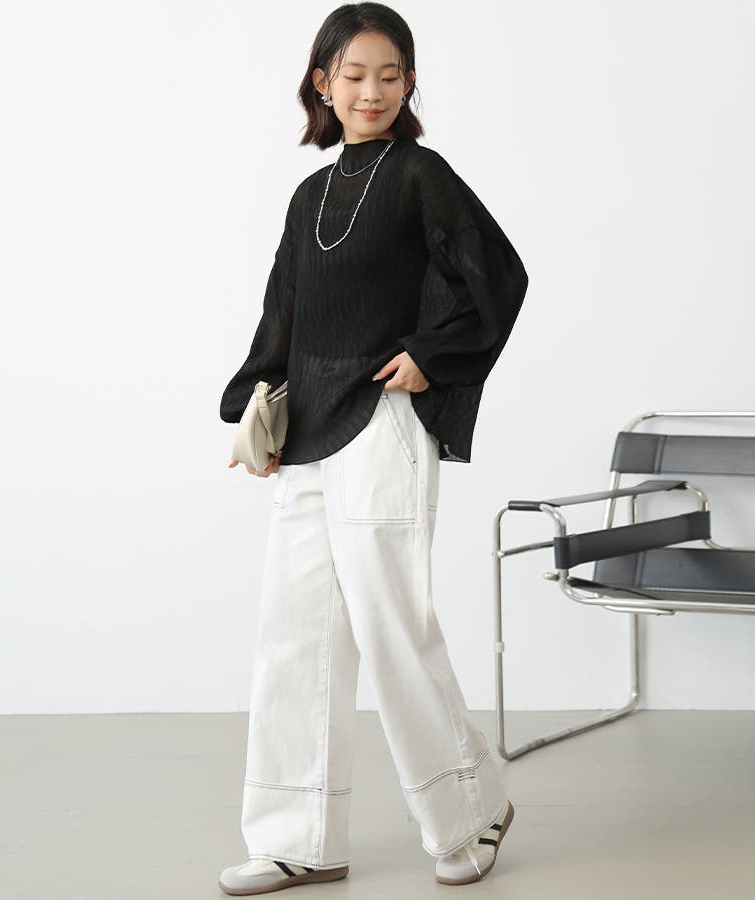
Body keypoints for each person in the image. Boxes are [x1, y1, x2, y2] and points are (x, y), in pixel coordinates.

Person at [217, 3, 528, 894]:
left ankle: (472, 809)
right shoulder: (309, 196)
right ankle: (297, 838)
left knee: (392, 627)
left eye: (391, 75)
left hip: (385, 423)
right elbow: (283, 313)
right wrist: (253, 408)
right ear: (322, 83)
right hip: (310, 432)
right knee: (294, 634)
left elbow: (499, 274)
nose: (373, 91)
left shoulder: (421, 175)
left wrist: (432, 355)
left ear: (409, 83)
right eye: (354, 75)